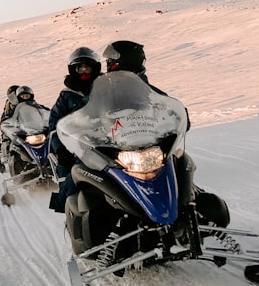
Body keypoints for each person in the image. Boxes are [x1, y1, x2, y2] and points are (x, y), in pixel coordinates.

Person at [101, 40, 229, 226]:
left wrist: (175, 124)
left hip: (152, 150)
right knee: (97, 182)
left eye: (109, 62)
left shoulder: (151, 93)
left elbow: (176, 114)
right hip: (121, 152)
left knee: (183, 167)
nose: (108, 67)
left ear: (117, 63)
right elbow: (89, 118)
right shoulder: (103, 94)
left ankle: (194, 213)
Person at [47, 47, 103, 213]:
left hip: (107, 139)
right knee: (73, 175)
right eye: (80, 67)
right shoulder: (67, 95)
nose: (84, 70)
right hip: (78, 145)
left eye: (88, 66)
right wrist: (61, 148)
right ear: (73, 69)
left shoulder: (105, 88)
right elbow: (54, 123)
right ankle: (71, 210)